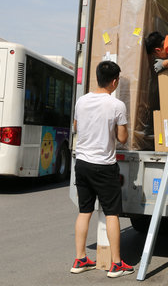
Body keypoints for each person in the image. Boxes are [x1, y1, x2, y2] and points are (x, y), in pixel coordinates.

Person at [71, 61, 134, 278]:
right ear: (115, 81)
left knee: (84, 211)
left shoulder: (82, 101)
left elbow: (76, 127)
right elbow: (123, 138)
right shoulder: (116, 105)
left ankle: (80, 259)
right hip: (104, 167)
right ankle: (116, 264)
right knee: (112, 214)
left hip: (82, 163)